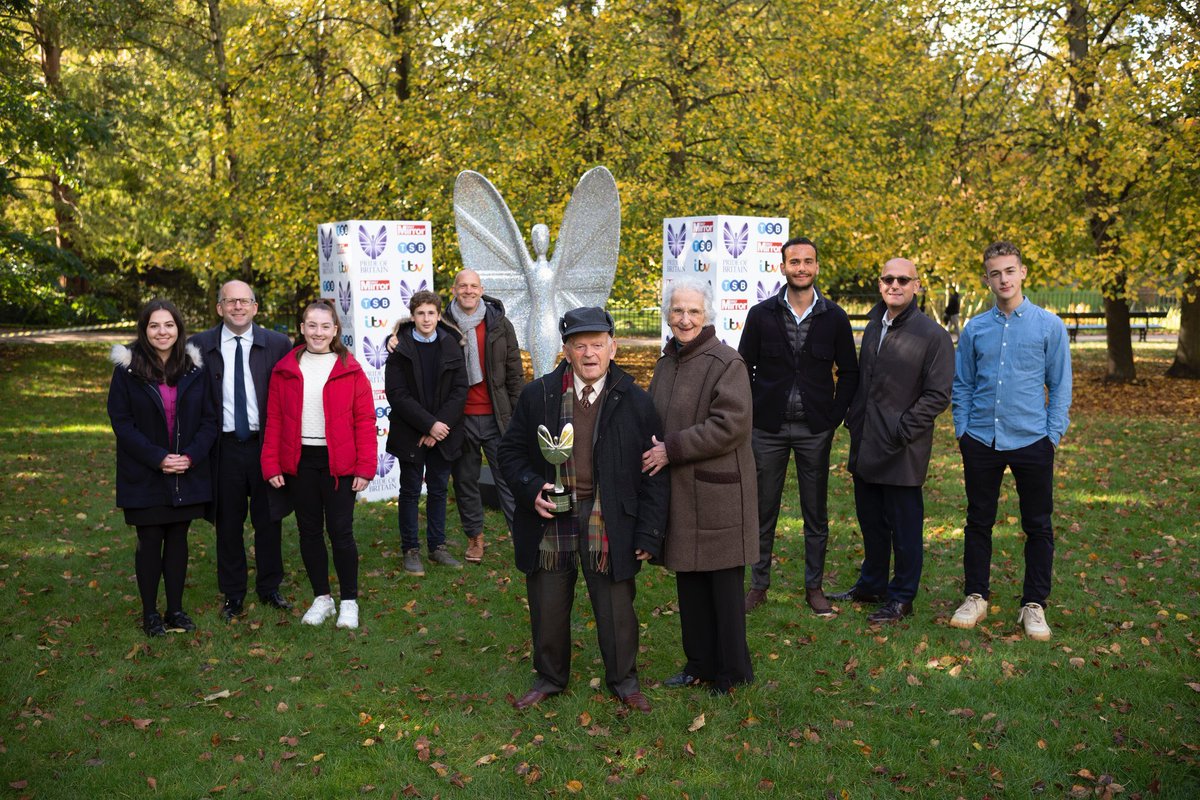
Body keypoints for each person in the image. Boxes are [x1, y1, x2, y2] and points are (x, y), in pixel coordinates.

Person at [498, 307, 668, 713]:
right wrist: (532, 488)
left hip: (609, 517)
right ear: (566, 351)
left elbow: (654, 472)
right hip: (552, 515)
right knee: (548, 604)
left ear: (613, 347)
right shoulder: (538, 395)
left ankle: (624, 681)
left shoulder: (636, 400)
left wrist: (649, 532)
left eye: (597, 345)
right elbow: (510, 453)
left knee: (616, 607)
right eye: (580, 346)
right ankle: (549, 678)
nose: (589, 354)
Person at [949, 241, 1072, 641]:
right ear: (987, 279)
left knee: (1038, 525)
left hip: (1032, 439)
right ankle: (976, 596)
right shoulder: (975, 329)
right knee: (978, 521)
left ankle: (1034, 604)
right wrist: (963, 430)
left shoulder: (1049, 326)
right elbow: (963, 384)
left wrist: (1052, 436)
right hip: (981, 438)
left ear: (1022, 273)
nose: (1003, 279)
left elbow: (1060, 385)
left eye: (1009, 271)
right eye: (995, 273)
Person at [643, 279, 756, 694]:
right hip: (681, 493)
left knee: (723, 588)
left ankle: (733, 672)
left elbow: (731, 425)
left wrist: (671, 449)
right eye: (677, 311)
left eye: (693, 311)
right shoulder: (666, 362)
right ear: (668, 315)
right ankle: (699, 665)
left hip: (719, 494)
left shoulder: (727, 362)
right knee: (689, 582)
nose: (685, 319)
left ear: (707, 315)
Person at [737, 236, 859, 615]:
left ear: (817, 267)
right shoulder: (761, 315)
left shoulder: (834, 317)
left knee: (815, 512)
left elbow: (849, 372)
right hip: (767, 429)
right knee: (763, 510)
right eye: (794, 262)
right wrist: (753, 412)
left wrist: (832, 417)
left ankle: (814, 587)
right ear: (783, 267)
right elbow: (743, 366)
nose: (801, 268)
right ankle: (758, 585)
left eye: (808, 261)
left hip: (814, 429)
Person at [830, 258, 954, 623]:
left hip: (902, 448)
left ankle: (901, 598)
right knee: (871, 523)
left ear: (917, 285)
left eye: (903, 279)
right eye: (888, 279)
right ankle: (872, 585)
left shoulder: (932, 335)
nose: (894, 285)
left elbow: (938, 394)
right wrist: (856, 419)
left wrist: (902, 429)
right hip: (867, 441)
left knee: (905, 530)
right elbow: (865, 380)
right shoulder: (874, 326)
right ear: (880, 284)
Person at [261, 300, 376, 629]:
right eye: (312, 325)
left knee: (341, 531)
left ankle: (349, 601)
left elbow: (365, 420)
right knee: (309, 531)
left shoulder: (350, 369)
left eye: (325, 326)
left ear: (335, 330)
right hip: (300, 462)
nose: (318, 332)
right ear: (302, 328)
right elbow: (274, 420)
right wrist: (271, 463)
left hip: (339, 464)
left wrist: (365, 466)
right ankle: (322, 598)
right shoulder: (285, 370)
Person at [107, 299, 219, 636]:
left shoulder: (194, 368)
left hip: (186, 471)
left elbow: (210, 420)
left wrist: (190, 457)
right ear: (144, 330)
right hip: (145, 472)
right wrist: (158, 457)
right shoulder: (127, 369)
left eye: (168, 325)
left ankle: (175, 610)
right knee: (150, 539)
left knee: (178, 539)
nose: (162, 332)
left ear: (178, 329)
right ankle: (150, 614)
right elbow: (122, 422)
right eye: (154, 326)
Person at [190, 280, 294, 621]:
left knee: (269, 520)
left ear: (255, 307)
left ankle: (269, 587)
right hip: (223, 449)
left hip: (265, 446)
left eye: (244, 301)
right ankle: (233, 594)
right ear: (219, 307)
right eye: (230, 301)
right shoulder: (199, 345)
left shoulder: (277, 344)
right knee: (228, 524)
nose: (237, 307)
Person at [385, 290, 468, 576]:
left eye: (431, 313)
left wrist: (438, 426)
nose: (426, 318)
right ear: (412, 316)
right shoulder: (400, 348)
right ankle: (410, 549)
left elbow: (460, 390)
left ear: (438, 315)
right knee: (409, 491)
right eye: (420, 313)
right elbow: (397, 394)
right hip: (411, 432)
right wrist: (427, 425)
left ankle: (437, 546)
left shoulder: (451, 345)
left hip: (443, 432)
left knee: (438, 490)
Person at [444, 269, 524, 564]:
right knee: (466, 481)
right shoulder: (442, 324)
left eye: (473, 286)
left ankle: (521, 537)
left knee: (508, 478)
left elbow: (514, 372)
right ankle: (475, 539)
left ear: (481, 289)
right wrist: (394, 338)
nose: (468, 290)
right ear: (454, 289)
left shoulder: (500, 323)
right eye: (462, 286)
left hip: (496, 416)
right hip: (460, 418)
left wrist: (519, 415)